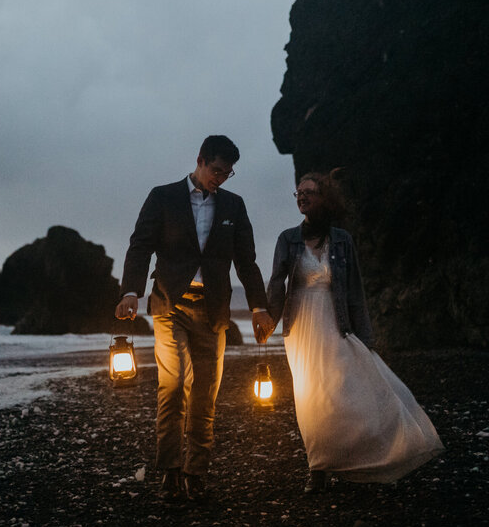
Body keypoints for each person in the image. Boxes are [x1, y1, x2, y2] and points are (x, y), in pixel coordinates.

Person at [252, 171, 443, 492]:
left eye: (309, 192)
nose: (301, 197)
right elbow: (277, 283)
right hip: (300, 328)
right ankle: (318, 466)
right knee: (310, 398)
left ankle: (365, 452)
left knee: (344, 392)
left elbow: (355, 292)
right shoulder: (288, 239)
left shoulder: (342, 240)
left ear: (323, 198)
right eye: (298, 192)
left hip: (335, 323)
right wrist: (268, 321)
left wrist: (365, 338)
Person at [115, 135, 269, 503]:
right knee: (174, 383)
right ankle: (169, 471)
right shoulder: (163, 196)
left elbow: (246, 260)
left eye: (227, 174)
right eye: (216, 170)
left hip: (213, 311)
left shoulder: (234, 205)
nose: (221, 178)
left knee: (206, 392)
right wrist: (130, 291)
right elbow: (140, 245)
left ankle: (195, 472)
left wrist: (259, 307)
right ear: (200, 160)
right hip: (171, 305)